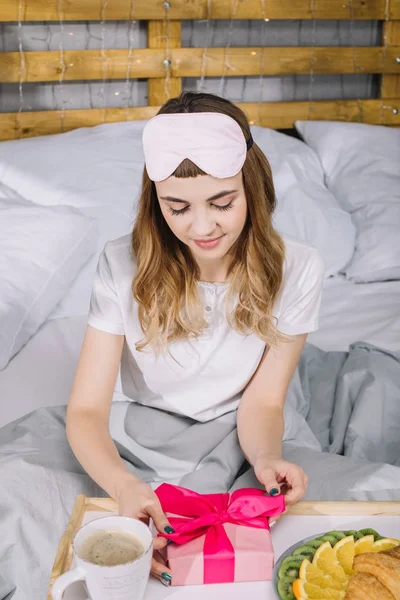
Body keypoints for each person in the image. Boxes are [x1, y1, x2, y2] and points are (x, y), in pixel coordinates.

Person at [66, 91, 325, 585]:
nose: (201, 227)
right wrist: (124, 485)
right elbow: (85, 411)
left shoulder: (300, 267)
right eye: (177, 207)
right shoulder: (121, 264)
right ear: (155, 200)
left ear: (251, 186)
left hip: (241, 428)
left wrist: (268, 458)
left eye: (222, 202)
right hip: (138, 430)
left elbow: (265, 401)